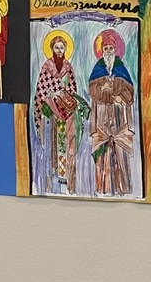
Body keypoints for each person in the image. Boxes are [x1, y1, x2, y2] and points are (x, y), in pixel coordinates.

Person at [86, 29, 138, 197]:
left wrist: (119, 95)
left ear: (116, 50)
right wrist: (104, 89)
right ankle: (103, 189)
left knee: (120, 153)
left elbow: (130, 93)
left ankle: (123, 188)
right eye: (106, 48)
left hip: (119, 119)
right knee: (103, 153)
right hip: (101, 118)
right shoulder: (98, 68)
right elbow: (92, 90)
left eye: (111, 48)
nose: (108, 51)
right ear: (101, 51)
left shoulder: (121, 68)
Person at [34, 30, 83, 193]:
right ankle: (50, 181)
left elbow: (72, 88)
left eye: (62, 47)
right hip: (51, 114)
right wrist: (52, 95)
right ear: (52, 49)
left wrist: (64, 94)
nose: (59, 50)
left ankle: (66, 179)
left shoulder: (68, 67)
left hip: (66, 113)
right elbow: (41, 90)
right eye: (57, 47)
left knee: (66, 143)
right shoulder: (47, 66)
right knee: (52, 146)